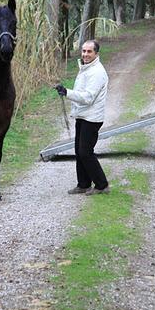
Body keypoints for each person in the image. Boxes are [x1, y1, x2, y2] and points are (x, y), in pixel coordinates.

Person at [55, 39, 109, 196]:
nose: (85, 54)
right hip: (83, 116)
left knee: (85, 152)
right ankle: (84, 184)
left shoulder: (97, 72)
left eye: (89, 51)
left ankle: (102, 185)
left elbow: (88, 97)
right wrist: (67, 92)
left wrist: (67, 92)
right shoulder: (86, 68)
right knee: (79, 151)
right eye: (84, 51)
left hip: (92, 118)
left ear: (96, 53)